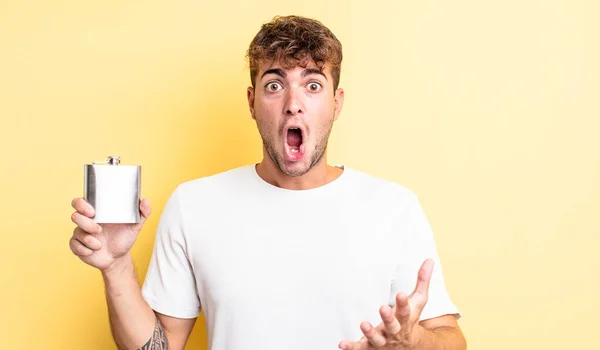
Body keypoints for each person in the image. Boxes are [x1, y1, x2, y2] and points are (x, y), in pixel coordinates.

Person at [69, 15, 466, 350]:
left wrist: (413, 339)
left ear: (337, 102)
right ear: (251, 102)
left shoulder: (393, 207)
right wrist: (117, 267)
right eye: (275, 85)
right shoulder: (195, 205)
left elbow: (451, 338)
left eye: (313, 85)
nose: (293, 103)